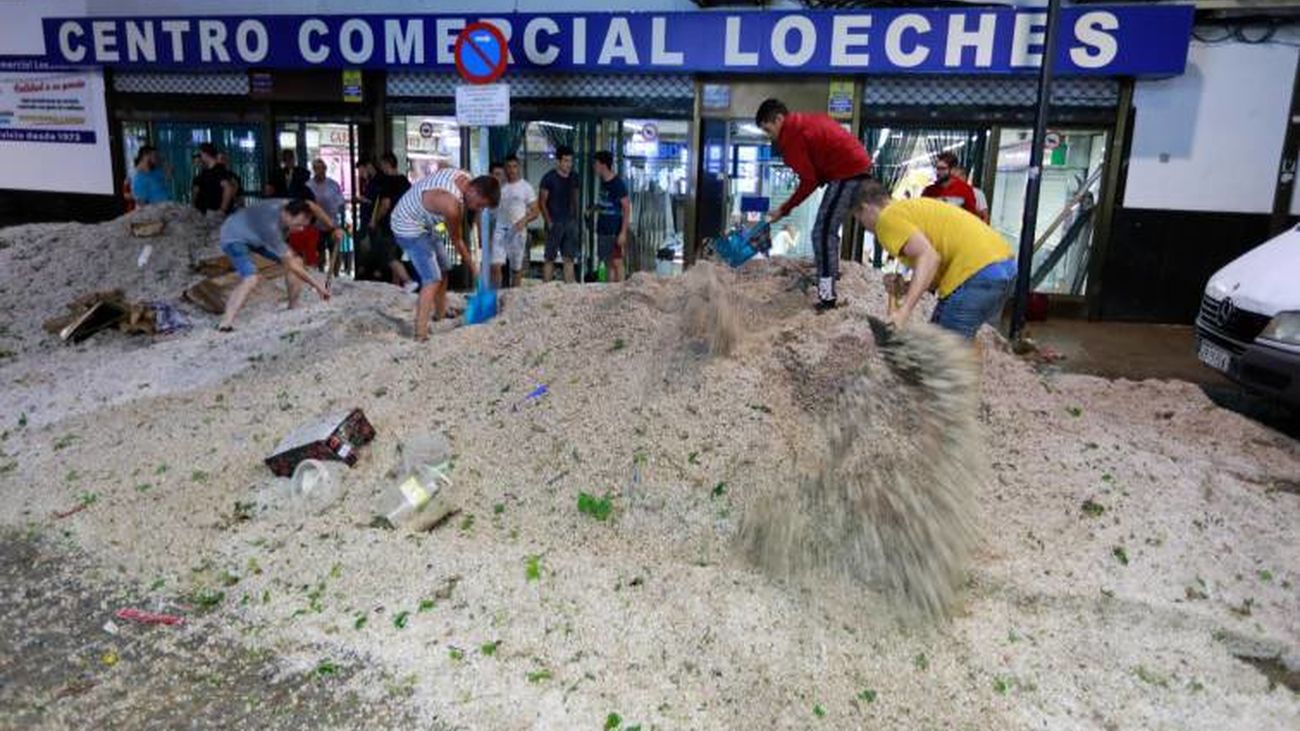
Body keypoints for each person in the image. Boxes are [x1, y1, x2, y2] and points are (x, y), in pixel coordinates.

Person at [852, 180, 1015, 339]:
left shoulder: (887, 219)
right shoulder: (909, 210)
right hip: (1004, 266)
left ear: (865, 208)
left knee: (943, 349)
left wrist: (904, 311)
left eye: (860, 221)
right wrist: (905, 287)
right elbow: (933, 269)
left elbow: (929, 257)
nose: (865, 228)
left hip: (976, 272)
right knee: (948, 340)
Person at [755, 98, 872, 311]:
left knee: (822, 231)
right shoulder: (804, 121)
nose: (769, 136)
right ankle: (830, 273)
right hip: (853, 167)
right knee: (826, 229)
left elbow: (809, 181)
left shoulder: (792, 136)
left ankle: (827, 296)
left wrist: (784, 209)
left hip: (848, 172)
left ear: (779, 119)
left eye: (768, 129)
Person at [390, 168, 500, 340]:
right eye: (480, 205)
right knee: (432, 278)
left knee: (444, 267)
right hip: (407, 225)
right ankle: (420, 333)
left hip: (427, 223)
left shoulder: (465, 178)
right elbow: (457, 240)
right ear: (472, 191)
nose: (479, 209)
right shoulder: (451, 205)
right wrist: (474, 269)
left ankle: (439, 315)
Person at [216, 198, 340, 331]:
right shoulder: (271, 228)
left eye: (304, 226)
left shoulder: (287, 205)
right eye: (299, 225)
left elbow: (310, 204)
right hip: (234, 236)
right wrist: (319, 287)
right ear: (289, 215)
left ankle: (293, 306)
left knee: (297, 259)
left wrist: (333, 228)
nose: (301, 229)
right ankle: (226, 322)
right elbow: (291, 265)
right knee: (251, 278)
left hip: (256, 236)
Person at [492, 155, 539, 288]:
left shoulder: (526, 187)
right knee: (496, 264)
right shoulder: (500, 187)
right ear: (505, 169)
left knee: (516, 268)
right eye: (509, 167)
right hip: (500, 229)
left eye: (514, 166)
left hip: (517, 230)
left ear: (518, 167)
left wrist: (524, 221)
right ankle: (497, 295)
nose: (512, 170)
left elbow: (535, 211)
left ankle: (514, 297)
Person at [371, 152, 414, 289]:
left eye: (382, 165)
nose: (381, 168)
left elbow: (385, 205)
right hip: (405, 224)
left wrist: (375, 220)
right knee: (396, 254)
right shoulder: (405, 182)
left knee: (388, 256)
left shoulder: (388, 182)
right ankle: (397, 286)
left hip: (390, 224)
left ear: (386, 164)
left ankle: (408, 281)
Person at [539, 145, 581, 284]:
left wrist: (576, 219)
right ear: (558, 161)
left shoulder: (574, 177)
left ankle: (569, 290)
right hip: (554, 222)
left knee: (569, 257)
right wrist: (548, 221)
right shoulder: (549, 178)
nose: (569, 164)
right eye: (566, 161)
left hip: (570, 222)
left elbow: (575, 199)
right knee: (549, 257)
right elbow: (542, 202)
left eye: (570, 161)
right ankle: (546, 289)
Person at [593, 150, 630, 283]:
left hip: (614, 230)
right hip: (603, 229)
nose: (594, 167)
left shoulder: (618, 184)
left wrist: (623, 232)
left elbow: (626, 208)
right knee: (608, 261)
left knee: (617, 261)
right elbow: (605, 203)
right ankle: (610, 291)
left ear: (603, 165)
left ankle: (620, 290)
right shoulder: (603, 182)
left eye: (596, 163)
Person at [306, 158, 346, 272]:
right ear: (313, 170)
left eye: (321, 168)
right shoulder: (308, 185)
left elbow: (341, 204)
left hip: (332, 225)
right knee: (319, 253)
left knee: (335, 252)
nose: (319, 171)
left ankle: (336, 275)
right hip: (316, 226)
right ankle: (321, 273)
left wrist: (341, 223)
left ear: (325, 169)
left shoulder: (333, 185)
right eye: (316, 168)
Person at [922, 152, 981, 218]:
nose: (938, 172)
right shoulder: (929, 191)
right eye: (937, 168)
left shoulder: (964, 190)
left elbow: (971, 216)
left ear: (952, 170)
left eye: (943, 169)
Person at [192, 143, 237, 216]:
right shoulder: (205, 172)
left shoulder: (219, 170)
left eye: (201, 154)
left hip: (214, 214)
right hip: (205, 213)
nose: (200, 157)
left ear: (205, 154)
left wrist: (222, 210)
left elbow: (228, 188)